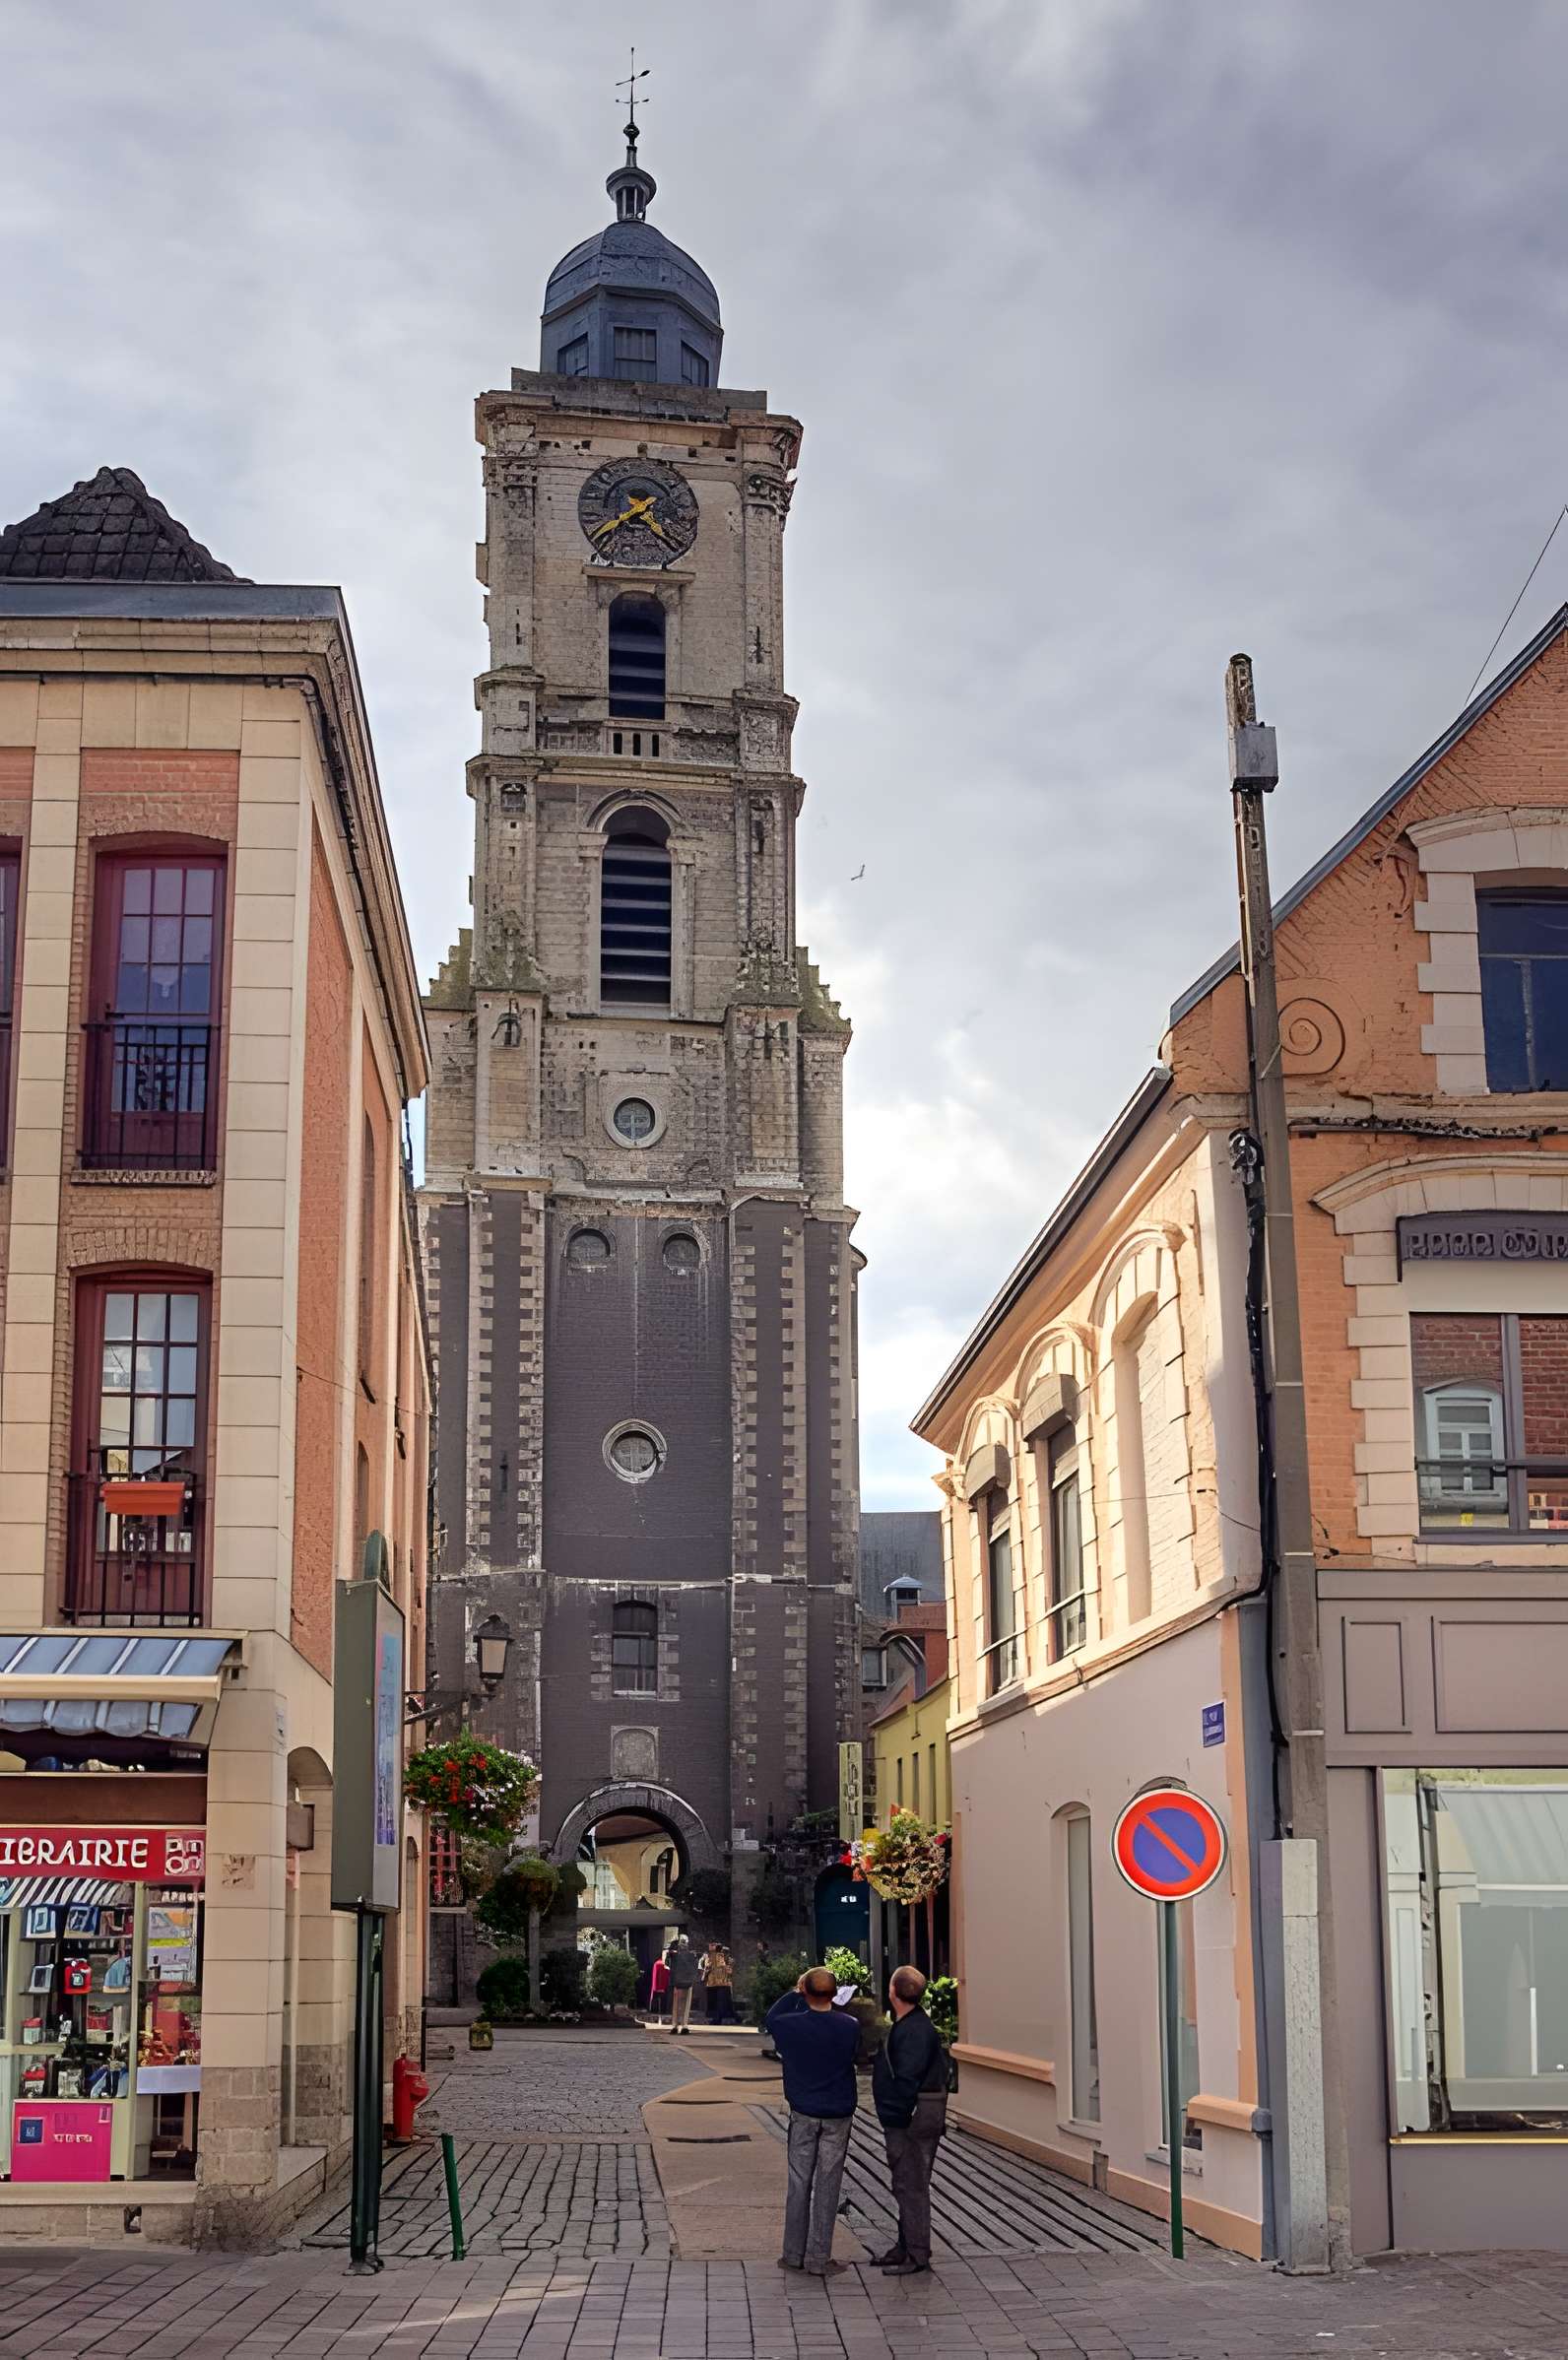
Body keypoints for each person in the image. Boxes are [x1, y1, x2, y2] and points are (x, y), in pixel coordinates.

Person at [765, 1965, 860, 2278]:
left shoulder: (790, 2026)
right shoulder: (850, 2025)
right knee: (828, 2183)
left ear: (805, 1992)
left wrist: (796, 1991)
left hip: (803, 2111)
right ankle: (820, 2257)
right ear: (835, 1994)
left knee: (798, 2182)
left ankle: (793, 2254)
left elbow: (770, 2018)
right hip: (838, 2112)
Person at [871, 1964, 948, 2275]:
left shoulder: (914, 2030)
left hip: (908, 2121)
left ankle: (917, 2254)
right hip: (906, 2118)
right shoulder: (914, 2025)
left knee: (912, 2184)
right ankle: (905, 2246)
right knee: (905, 2183)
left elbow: (908, 2078)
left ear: (893, 1992)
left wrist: (899, 2115)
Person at [665, 1934, 700, 2033]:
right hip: (687, 1982)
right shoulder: (692, 1955)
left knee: (676, 2004)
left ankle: (675, 2025)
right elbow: (695, 1968)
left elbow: (667, 1964)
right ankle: (684, 2025)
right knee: (686, 2004)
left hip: (677, 1982)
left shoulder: (674, 1955)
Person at [700, 1941, 736, 2024]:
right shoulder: (726, 1958)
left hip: (716, 1983)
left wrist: (704, 1976)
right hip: (724, 1982)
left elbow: (708, 1967)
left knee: (719, 2001)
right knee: (725, 2001)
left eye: (713, 1945)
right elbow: (729, 1970)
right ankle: (732, 2016)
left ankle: (719, 2018)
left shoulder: (714, 1957)